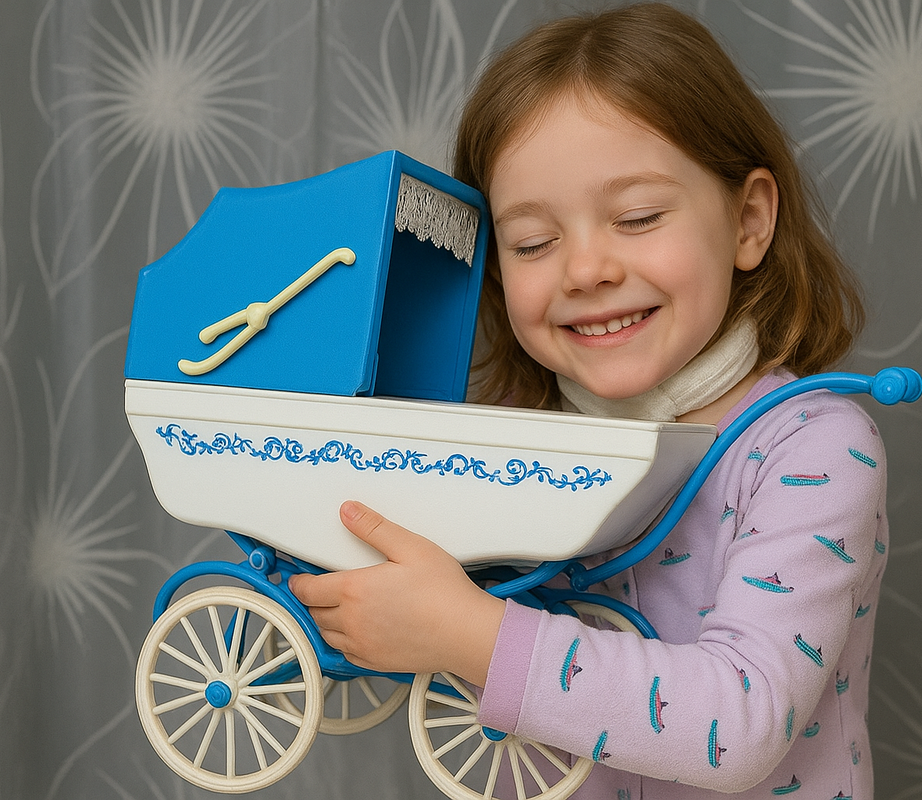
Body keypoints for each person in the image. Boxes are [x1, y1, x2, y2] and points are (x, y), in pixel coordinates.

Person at [290, 3, 886, 797]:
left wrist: (467, 632)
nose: (584, 270)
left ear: (748, 221)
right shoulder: (511, 443)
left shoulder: (811, 448)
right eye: (533, 243)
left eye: (637, 218)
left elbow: (740, 722)